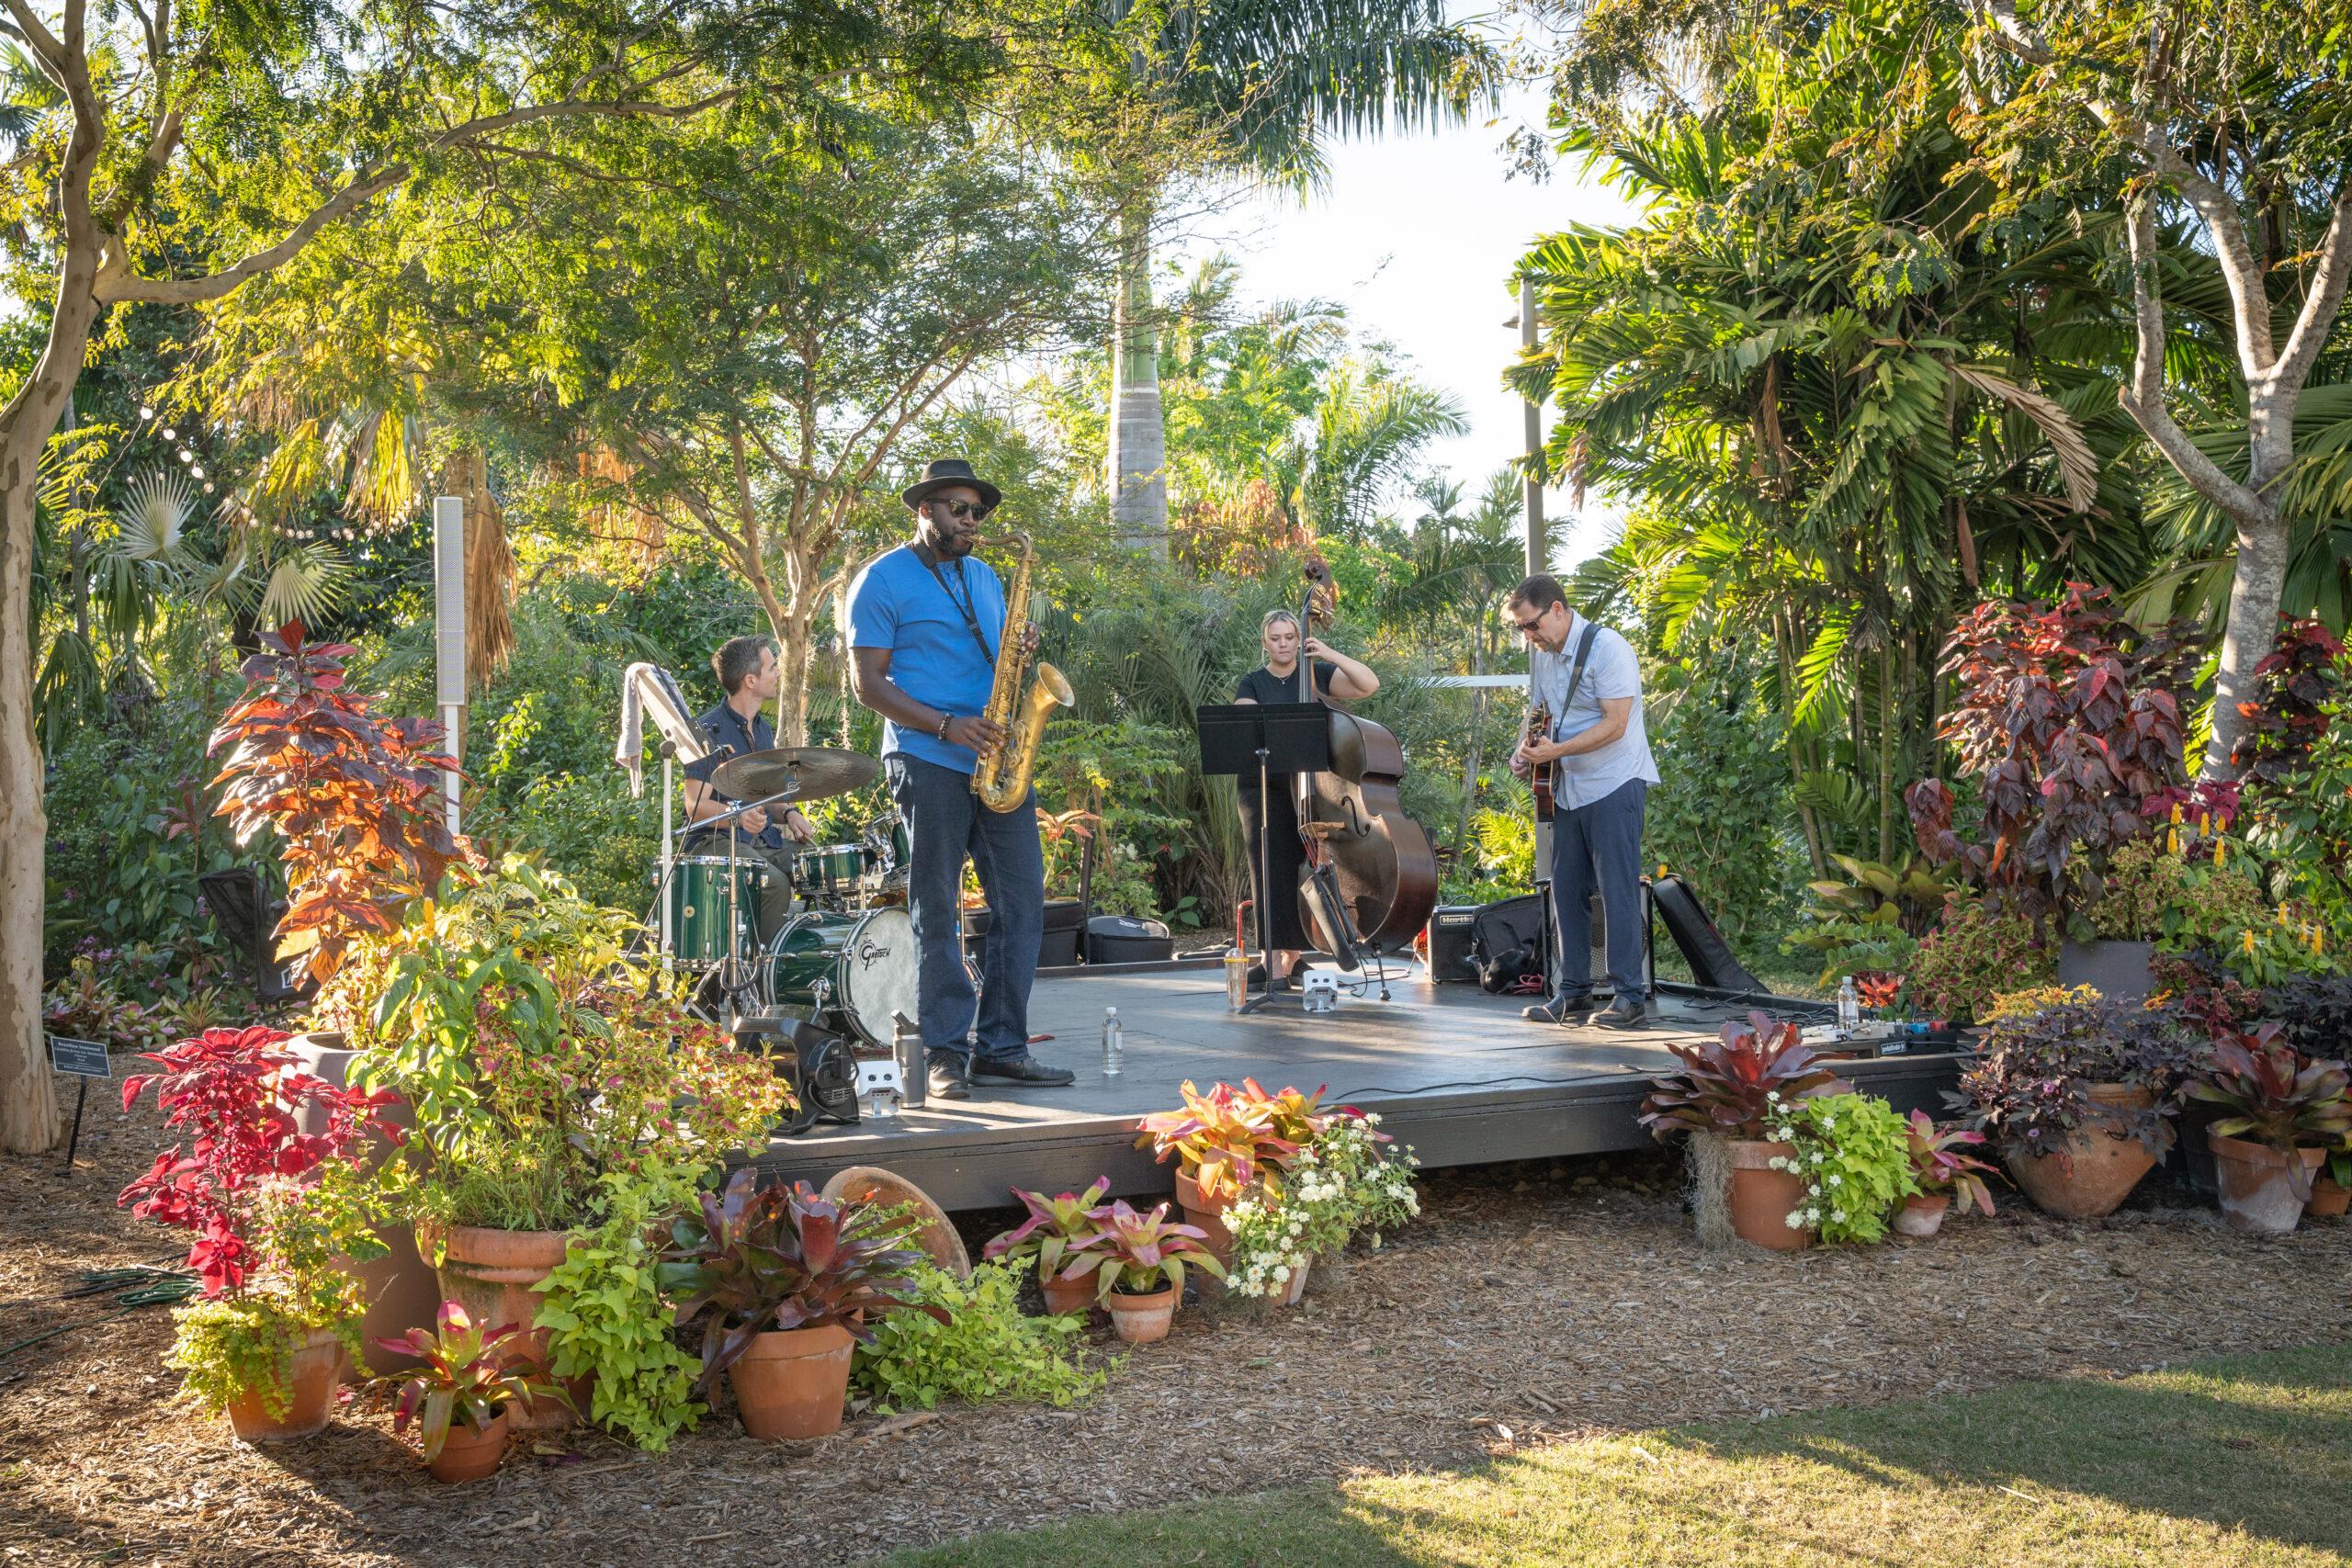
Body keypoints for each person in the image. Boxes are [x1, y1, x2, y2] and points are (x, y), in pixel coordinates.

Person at [845, 457, 1075, 1100]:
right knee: (937, 907)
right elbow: (868, 686)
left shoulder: (984, 575)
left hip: (996, 758)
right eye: (958, 508)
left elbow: (995, 656)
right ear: (925, 510)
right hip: (927, 756)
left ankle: (1002, 1048)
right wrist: (947, 727)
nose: (971, 520)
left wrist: (1019, 647)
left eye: (976, 511)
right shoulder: (880, 580)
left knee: (1024, 902)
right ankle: (946, 1053)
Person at [1508, 574, 1660, 1030]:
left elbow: (1616, 724)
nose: (1528, 637)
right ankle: (1572, 995)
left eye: (1531, 626)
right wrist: (1524, 751)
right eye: (1520, 630)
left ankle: (1629, 998)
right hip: (1570, 787)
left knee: (1616, 892)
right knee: (1566, 891)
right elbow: (1537, 713)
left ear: (1557, 609)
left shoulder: (1609, 648)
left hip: (1616, 782)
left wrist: (1553, 752)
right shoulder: (1546, 656)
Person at [1231, 608, 1380, 984]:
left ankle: (1294, 958)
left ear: (1300, 640)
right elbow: (1245, 725)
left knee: (1304, 867)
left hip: (1311, 786)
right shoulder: (1251, 683)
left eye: (1289, 637)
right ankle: (1270, 957)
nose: (1283, 644)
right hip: (1262, 784)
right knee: (1266, 868)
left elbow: (1368, 684)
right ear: (1264, 643)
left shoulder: (1316, 674)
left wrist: (1328, 654)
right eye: (1275, 638)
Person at [683, 636, 816, 936]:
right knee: (775, 884)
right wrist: (737, 815)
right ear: (751, 680)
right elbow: (693, 804)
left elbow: (769, 796)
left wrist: (791, 814)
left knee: (817, 867)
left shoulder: (762, 729)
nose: (778, 673)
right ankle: (767, 972)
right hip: (714, 842)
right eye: (772, 667)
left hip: (757, 842)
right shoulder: (705, 731)